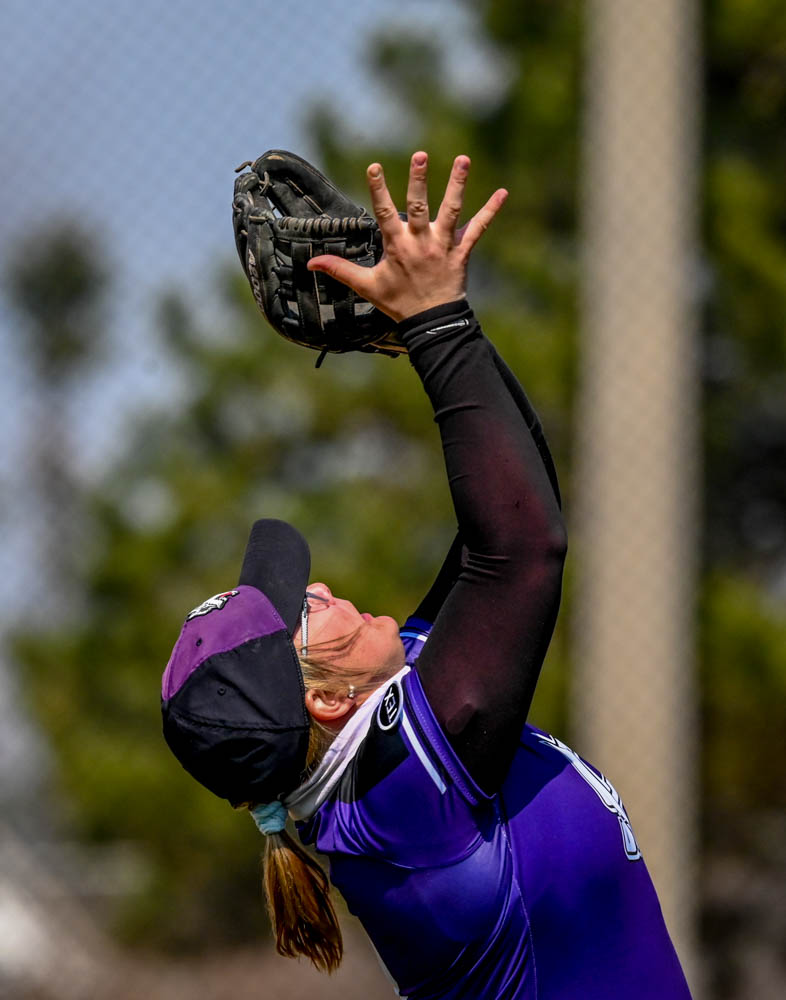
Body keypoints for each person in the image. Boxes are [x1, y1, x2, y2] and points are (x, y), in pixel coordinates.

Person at [161, 153, 692, 998]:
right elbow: (524, 553)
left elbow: (519, 504)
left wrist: (416, 323)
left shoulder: (390, 723)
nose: (325, 588)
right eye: (306, 611)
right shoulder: (399, 804)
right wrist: (435, 323)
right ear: (326, 702)